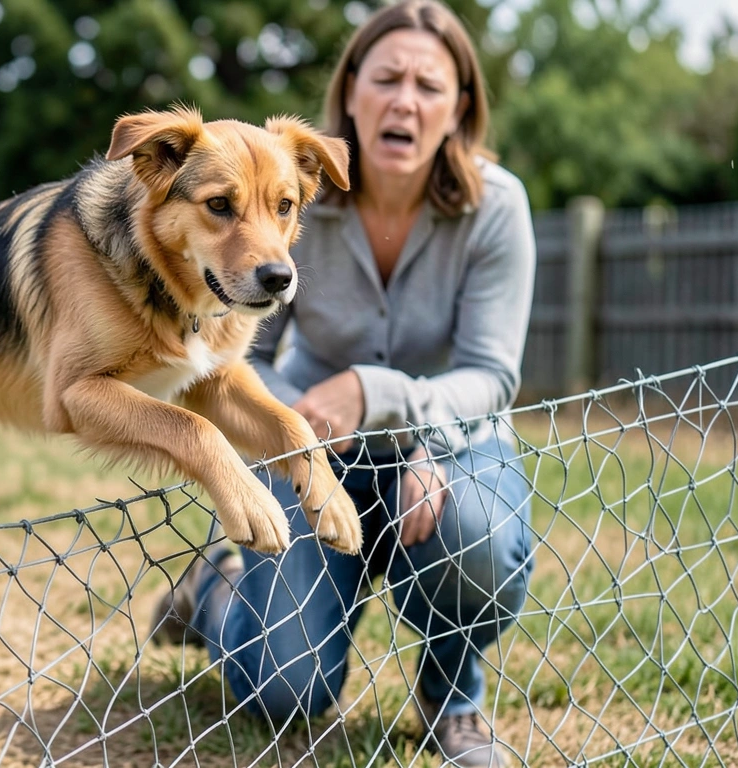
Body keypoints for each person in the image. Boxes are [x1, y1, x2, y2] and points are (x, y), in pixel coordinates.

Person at [151, 2, 537, 766]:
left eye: (431, 85)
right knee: (286, 690)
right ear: (351, 90)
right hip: (312, 442)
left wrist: (390, 404)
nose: (405, 99)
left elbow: (490, 377)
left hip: (455, 447)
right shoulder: (286, 190)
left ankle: (451, 700)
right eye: (386, 77)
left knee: (476, 538)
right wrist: (288, 423)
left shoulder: (499, 208)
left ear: (459, 107)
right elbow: (222, 352)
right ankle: (217, 594)